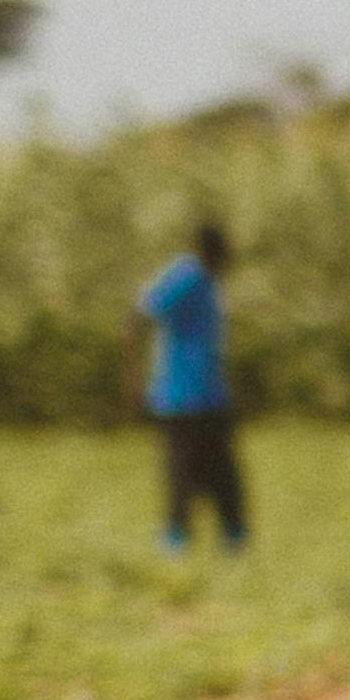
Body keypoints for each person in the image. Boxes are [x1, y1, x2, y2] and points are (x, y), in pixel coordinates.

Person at [141, 219, 245, 553]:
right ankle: (176, 540)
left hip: (209, 394)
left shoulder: (208, 282)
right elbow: (138, 317)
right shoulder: (184, 277)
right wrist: (131, 383)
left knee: (223, 472)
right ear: (209, 251)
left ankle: (233, 539)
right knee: (182, 471)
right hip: (180, 396)